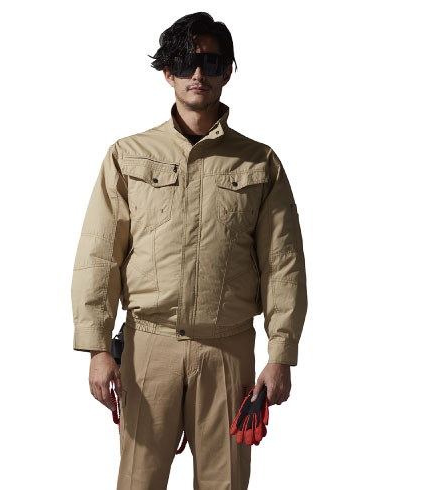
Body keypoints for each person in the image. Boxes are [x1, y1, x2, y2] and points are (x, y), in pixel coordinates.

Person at [71, 11, 308, 490]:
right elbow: (99, 255)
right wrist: (96, 348)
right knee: (139, 481)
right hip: (147, 349)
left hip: (228, 352)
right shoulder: (128, 155)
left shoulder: (259, 163)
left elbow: (283, 265)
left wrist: (280, 353)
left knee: (225, 482)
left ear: (227, 72)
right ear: (167, 71)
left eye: (211, 62)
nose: (198, 73)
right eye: (184, 61)